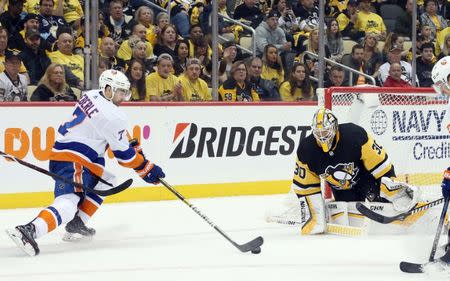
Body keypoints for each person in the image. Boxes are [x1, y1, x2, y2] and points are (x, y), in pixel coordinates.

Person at [6, 69, 166, 256]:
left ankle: (77, 223)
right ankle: (31, 229)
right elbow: (123, 156)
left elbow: (112, 132)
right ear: (108, 89)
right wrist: (146, 167)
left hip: (67, 154)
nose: (124, 96)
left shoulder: (92, 94)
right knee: (69, 201)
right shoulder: (113, 116)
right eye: (120, 91)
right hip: (76, 159)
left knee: (108, 180)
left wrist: (131, 147)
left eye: (125, 91)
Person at [290, 108, 421, 235]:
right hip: (341, 189)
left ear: (334, 127)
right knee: (349, 211)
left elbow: (381, 165)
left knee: (380, 200)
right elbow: (305, 187)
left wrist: (390, 188)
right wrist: (315, 215)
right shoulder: (306, 149)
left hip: (366, 180)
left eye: (325, 131)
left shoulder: (354, 135)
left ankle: (413, 211)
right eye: (318, 132)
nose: (322, 136)